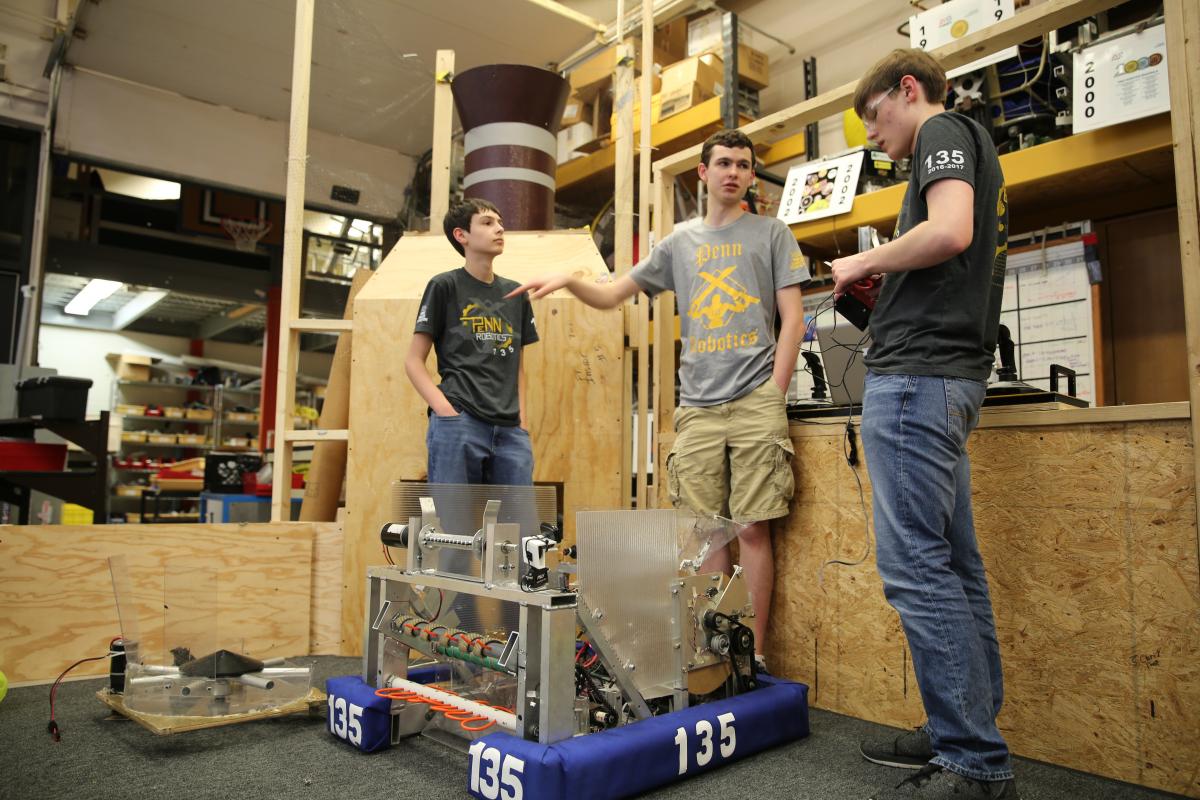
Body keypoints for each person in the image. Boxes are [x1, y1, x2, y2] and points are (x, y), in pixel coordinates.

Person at [507, 129, 808, 654]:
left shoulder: (772, 233)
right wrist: (569, 279)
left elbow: (794, 319)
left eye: (742, 164)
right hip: (697, 409)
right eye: (723, 164)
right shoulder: (678, 243)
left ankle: (753, 656)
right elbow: (610, 295)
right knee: (709, 536)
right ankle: (719, 657)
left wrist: (773, 392)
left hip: (755, 400)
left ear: (751, 174)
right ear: (704, 173)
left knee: (753, 531)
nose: (733, 172)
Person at [830, 49, 1016, 800]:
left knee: (914, 568)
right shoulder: (968, 146)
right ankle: (960, 728)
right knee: (954, 565)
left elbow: (948, 231)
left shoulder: (945, 130)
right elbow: (943, 249)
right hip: (945, 376)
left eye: (874, 116)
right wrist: (890, 278)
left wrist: (858, 262)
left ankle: (973, 759)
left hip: (917, 381)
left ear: (909, 90)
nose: (872, 135)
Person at [404, 198, 539, 485]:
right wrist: (446, 412)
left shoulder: (516, 293)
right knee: (456, 526)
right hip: (460, 421)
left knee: (516, 525)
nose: (500, 229)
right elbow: (413, 360)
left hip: (510, 431)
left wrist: (522, 423)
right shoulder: (444, 286)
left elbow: (518, 369)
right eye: (488, 223)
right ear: (461, 235)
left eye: (501, 223)